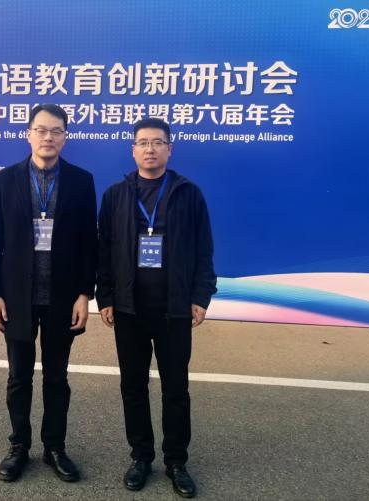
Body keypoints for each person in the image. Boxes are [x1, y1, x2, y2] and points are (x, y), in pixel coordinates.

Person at [96, 118, 216, 498]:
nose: (150, 149)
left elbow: (204, 249)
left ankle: (176, 461)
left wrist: (200, 296)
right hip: (129, 309)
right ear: (132, 150)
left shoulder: (188, 194)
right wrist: (106, 297)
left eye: (158, 142)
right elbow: (104, 251)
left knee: (175, 388)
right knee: (133, 386)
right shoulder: (115, 195)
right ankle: (141, 457)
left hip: (174, 309)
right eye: (143, 142)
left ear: (169, 149)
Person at [0, 103, 97, 483]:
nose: (49, 137)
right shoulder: (6, 180)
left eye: (56, 131)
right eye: (42, 130)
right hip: (18, 297)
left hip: (63, 297)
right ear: (28, 134)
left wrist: (85, 294)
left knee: (57, 378)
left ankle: (55, 447)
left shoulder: (81, 181)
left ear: (65, 137)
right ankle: (19, 446)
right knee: (19, 377)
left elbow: (89, 242)